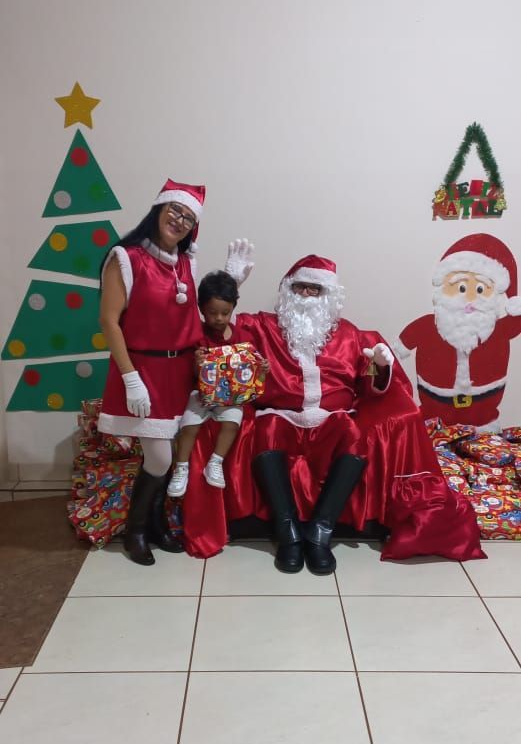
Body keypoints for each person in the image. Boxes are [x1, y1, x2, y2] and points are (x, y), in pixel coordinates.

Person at [181, 254, 485, 570]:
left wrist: (380, 368)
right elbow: (218, 326)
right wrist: (231, 281)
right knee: (266, 430)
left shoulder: (350, 335)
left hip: (331, 418)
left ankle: (319, 533)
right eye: (300, 287)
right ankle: (288, 535)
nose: (307, 294)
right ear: (287, 290)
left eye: (315, 289)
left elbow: (369, 388)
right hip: (280, 415)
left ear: (328, 295)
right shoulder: (262, 327)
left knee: (353, 436)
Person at [98, 178, 205, 566]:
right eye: (175, 210)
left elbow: (191, 317)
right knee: (158, 458)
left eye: (189, 218)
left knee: (170, 453)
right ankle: (136, 530)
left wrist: (231, 280)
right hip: (143, 371)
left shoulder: (187, 264)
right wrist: (130, 378)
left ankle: (157, 524)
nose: (179, 220)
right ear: (159, 209)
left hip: (179, 372)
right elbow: (109, 322)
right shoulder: (126, 258)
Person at [395, 234, 521, 429]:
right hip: (435, 418)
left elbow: (516, 322)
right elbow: (399, 348)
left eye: (480, 289)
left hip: (483, 420)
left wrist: (515, 305)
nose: (470, 298)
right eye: (461, 287)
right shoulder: (427, 327)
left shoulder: (498, 330)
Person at [168, 270, 257, 496]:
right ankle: (181, 468)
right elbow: (188, 374)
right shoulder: (196, 336)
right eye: (212, 312)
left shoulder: (243, 337)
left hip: (230, 397)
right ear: (201, 309)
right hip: (200, 394)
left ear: (233, 307)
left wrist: (261, 368)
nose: (219, 318)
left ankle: (215, 462)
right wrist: (197, 364)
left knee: (232, 422)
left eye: (225, 313)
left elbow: (250, 370)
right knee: (189, 426)